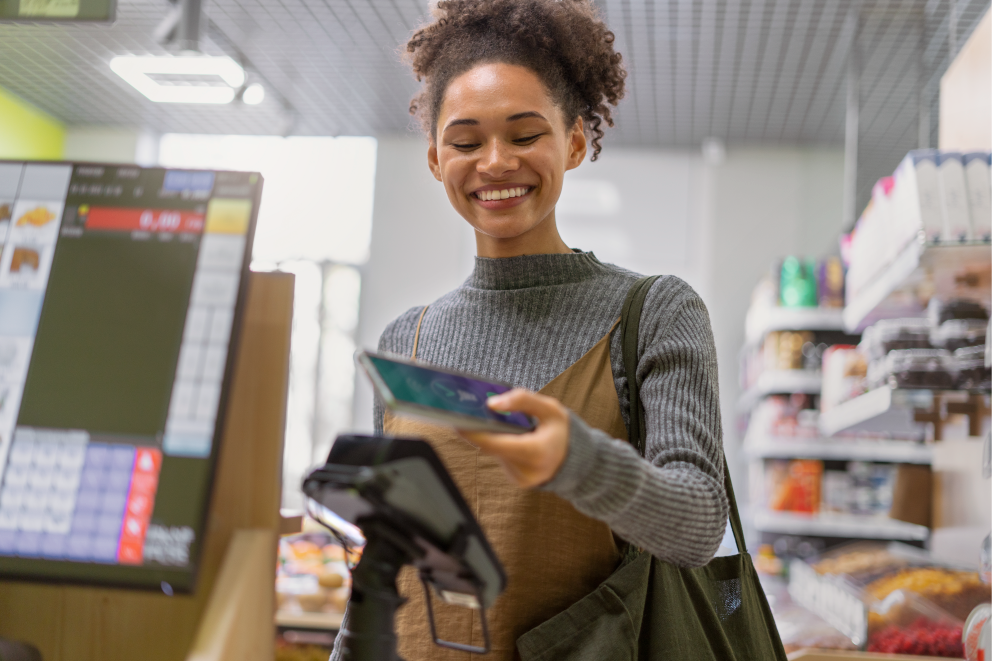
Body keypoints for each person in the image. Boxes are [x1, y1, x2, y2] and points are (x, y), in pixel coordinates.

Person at [333, 0, 728, 657]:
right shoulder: (410, 338)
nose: (494, 162)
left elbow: (696, 524)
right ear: (435, 158)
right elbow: (388, 556)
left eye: (524, 135)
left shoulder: (653, 312)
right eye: (465, 141)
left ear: (574, 141)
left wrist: (580, 462)